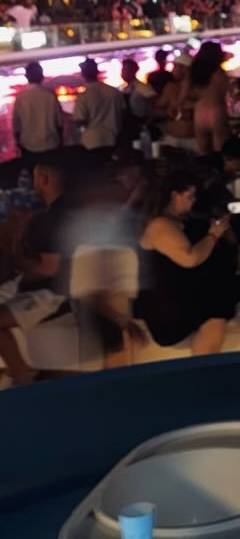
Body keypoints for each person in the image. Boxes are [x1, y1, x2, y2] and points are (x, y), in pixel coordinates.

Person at [135, 169, 238, 353]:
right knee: (218, 307)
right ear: (174, 196)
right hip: (168, 305)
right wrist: (213, 235)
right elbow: (190, 258)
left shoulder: (185, 220)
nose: (193, 201)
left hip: (184, 292)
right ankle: (204, 364)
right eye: (189, 196)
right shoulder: (159, 225)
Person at [0, 159, 73, 385]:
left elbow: (49, 270)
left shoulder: (48, 221)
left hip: (51, 295)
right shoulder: (61, 212)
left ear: (43, 179)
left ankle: (23, 376)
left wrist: (17, 263)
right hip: (44, 288)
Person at [72, 57, 125, 163]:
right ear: (97, 72)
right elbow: (123, 113)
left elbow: (80, 120)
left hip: (92, 142)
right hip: (113, 139)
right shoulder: (114, 92)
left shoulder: (83, 96)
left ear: (83, 74)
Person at [12, 60, 64, 164]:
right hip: (51, 144)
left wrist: (18, 143)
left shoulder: (21, 98)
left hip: (29, 146)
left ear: (27, 77)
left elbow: (16, 125)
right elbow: (59, 122)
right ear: (42, 76)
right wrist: (61, 141)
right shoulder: (50, 95)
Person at [188, 41, 232, 154]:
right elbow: (226, 93)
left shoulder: (195, 73)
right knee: (221, 151)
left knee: (204, 152)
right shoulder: (219, 74)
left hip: (200, 111)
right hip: (216, 110)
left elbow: (190, 92)